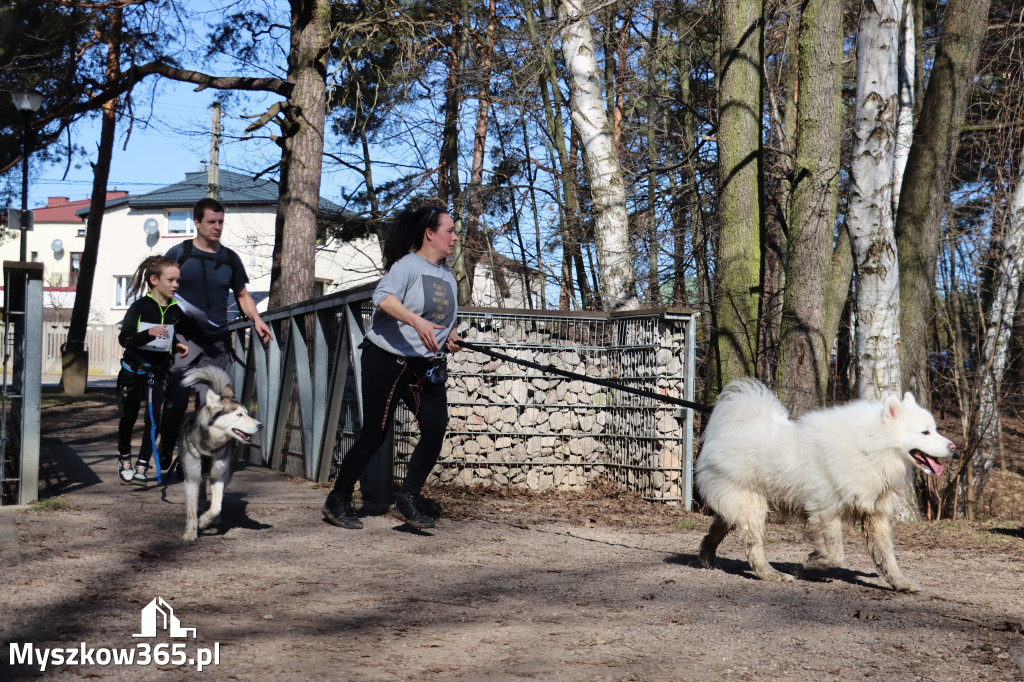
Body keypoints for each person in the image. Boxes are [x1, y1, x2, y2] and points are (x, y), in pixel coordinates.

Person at [323, 205, 462, 531]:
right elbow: (382, 296)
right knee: (375, 434)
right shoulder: (408, 266)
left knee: (435, 425)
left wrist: (451, 334)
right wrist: (415, 321)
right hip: (386, 357)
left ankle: (407, 499)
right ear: (430, 234)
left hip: (423, 365)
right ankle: (338, 499)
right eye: (449, 231)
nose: (455, 237)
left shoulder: (448, 277)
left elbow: (443, 321)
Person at [157, 197, 273, 468]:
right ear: (197, 222)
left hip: (217, 343)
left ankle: (197, 461)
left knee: (210, 406)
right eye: (211, 222)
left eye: (221, 222)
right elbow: (159, 292)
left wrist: (257, 319)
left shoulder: (230, 259)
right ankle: (166, 447)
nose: (217, 227)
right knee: (174, 402)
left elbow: (243, 295)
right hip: (183, 340)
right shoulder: (179, 253)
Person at [116, 257, 190, 484]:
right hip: (132, 372)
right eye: (171, 280)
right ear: (154, 280)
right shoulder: (139, 307)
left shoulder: (176, 310)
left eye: (178, 280)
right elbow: (125, 339)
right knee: (128, 417)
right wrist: (147, 334)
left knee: (153, 420)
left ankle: (142, 464)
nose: (176, 284)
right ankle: (124, 458)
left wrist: (175, 343)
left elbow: (167, 335)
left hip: (158, 372)